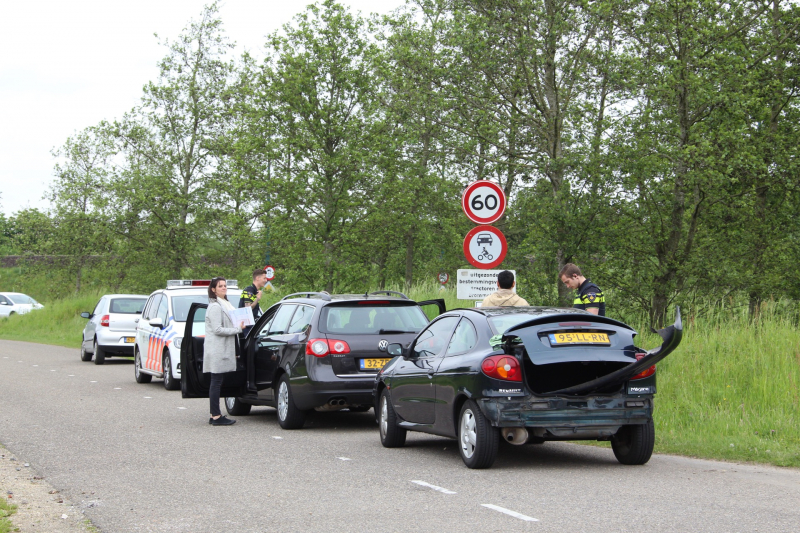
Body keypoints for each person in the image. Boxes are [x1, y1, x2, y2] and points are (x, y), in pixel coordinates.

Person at [205, 277, 245, 426]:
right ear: (213, 290)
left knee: (217, 381)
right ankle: (216, 416)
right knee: (216, 382)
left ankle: (214, 414)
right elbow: (217, 329)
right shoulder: (215, 306)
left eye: (224, 285)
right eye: (220, 286)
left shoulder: (225, 304)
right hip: (218, 349)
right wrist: (237, 329)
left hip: (223, 348)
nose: (224, 288)